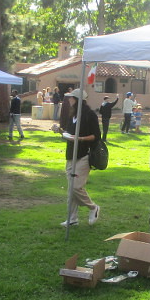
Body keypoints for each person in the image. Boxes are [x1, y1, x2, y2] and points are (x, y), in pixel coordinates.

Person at [55, 89, 100, 226]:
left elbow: (96, 136)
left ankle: (93, 207)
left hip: (84, 155)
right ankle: (72, 219)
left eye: (71, 98)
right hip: (71, 155)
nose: (69, 100)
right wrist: (59, 131)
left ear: (77, 100)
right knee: (71, 190)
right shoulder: (72, 115)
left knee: (76, 187)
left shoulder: (90, 115)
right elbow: (69, 134)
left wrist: (80, 139)